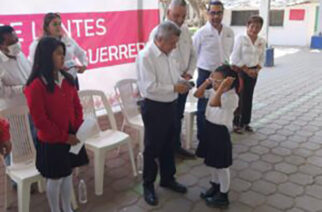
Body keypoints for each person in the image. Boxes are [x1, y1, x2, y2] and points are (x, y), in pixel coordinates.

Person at [24, 37, 89, 212]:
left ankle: (66, 208)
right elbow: (40, 121)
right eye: (58, 54)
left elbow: (76, 105)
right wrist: (64, 137)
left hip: (71, 135)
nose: (63, 57)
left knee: (67, 174)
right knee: (54, 179)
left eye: (63, 53)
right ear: (46, 56)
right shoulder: (35, 85)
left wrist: (77, 128)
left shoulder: (67, 78)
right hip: (53, 140)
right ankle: (55, 209)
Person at [136, 21, 189, 206]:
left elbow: (173, 76)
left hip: (170, 105)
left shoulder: (168, 53)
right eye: (172, 43)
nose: (175, 47)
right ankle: (148, 185)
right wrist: (175, 87)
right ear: (159, 39)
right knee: (152, 148)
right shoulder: (146, 56)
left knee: (169, 144)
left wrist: (183, 82)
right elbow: (149, 87)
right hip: (154, 107)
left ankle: (168, 179)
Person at [149, 0, 197, 158]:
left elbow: (193, 53)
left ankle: (176, 147)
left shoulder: (184, 30)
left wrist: (189, 73)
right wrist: (175, 79)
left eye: (183, 16)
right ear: (168, 13)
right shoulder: (157, 32)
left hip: (183, 82)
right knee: (165, 122)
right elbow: (157, 64)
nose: (180, 20)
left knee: (178, 116)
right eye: (176, 15)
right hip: (166, 87)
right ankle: (164, 152)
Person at [194, 65, 238, 208]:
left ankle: (223, 195)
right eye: (214, 79)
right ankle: (215, 186)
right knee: (211, 161)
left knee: (222, 166)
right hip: (209, 128)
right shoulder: (214, 90)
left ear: (228, 82)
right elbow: (197, 94)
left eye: (218, 81)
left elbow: (213, 103)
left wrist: (221, 87)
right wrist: (207, 82)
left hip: (220, 133)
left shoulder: (232, 97)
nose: (214, 83)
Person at [193, 0, 234, 142]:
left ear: (223, 13)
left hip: (224, 75)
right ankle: (203, 140)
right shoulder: (201, 33)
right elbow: (194, 54)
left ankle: (218, 136)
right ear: (208, 14)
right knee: (203, 108)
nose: (216, 16)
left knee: (222, 106)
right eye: (213, 13)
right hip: (206, 74)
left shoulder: (229, 32)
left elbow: (230, 51)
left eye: (219, 13)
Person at [29, 12, 88, 89]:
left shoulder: (67, 40)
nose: (58, 27)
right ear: (47, 27)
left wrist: (84, 65)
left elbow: (81, 53)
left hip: (71, 79)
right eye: (55, 24)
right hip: (53, 82)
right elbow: (35, 65)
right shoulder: (38, 44)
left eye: (60, 24)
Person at [231, 15, 266, 133]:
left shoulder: (261, 41)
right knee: (239, 97)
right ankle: (236, 123)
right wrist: (247, 70)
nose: (254, 29)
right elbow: (235, 58)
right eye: (252, 26)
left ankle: (246, 123)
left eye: (258, 27)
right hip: (241, 71)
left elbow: (262, 58)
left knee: (249, 97)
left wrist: (256, 70)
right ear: (247, 26)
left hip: (254, 72)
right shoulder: (240, 38)